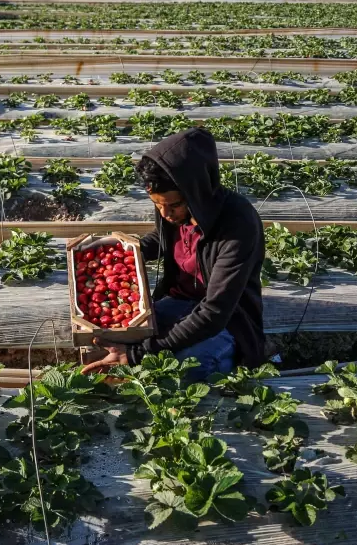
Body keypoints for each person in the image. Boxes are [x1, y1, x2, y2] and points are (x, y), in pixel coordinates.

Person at [81, 127, 265, 381]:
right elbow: (163, 238)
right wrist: (123, 250)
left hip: (228, 320)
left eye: (173, 205)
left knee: (186, 367)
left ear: (196, 191)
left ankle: (232, 360)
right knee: (104, 334)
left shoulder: (238, 224)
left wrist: (138, 354)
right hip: (178, 302)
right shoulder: (174, 209)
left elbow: (214, 313)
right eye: (157, 204)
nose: (165, 214)